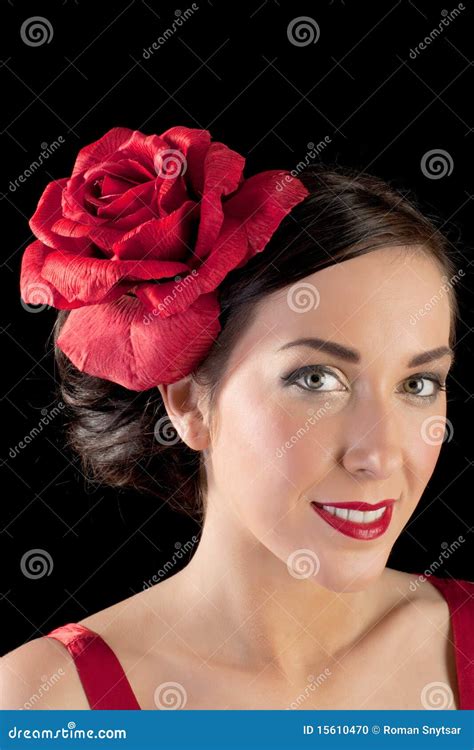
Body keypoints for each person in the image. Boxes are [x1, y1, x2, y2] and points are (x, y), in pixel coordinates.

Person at [2, 126, 473, 710]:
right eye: (316, 380)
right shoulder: (45, 701)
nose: (379, 456)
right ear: (188, 402)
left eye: (418, 384)